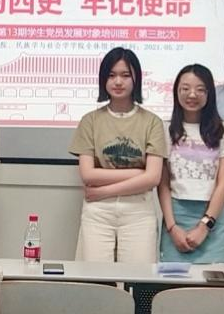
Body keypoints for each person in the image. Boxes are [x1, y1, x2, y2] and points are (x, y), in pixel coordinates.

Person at [69, 47, 166, 263]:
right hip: (98, 212)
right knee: (95, 277)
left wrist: (103, 191)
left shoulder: (152, 122)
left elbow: (153, 178)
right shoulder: (90, 121)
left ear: (136, 79)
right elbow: (88, 174)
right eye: (111, 75)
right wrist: (138, 173)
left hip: (138, 210)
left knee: (138, 276)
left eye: (125, 75)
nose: (118, 82)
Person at [158, 64, 224, 263]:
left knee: (215, 281)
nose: (192, 95)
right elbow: (163, 184)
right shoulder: (165, 130)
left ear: (209, 93)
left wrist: (205, 225)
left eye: (200, 89)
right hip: (175, 218)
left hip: (214, 219)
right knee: (173, 280)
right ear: (176, 92)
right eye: (185, 89)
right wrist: (172, 227)